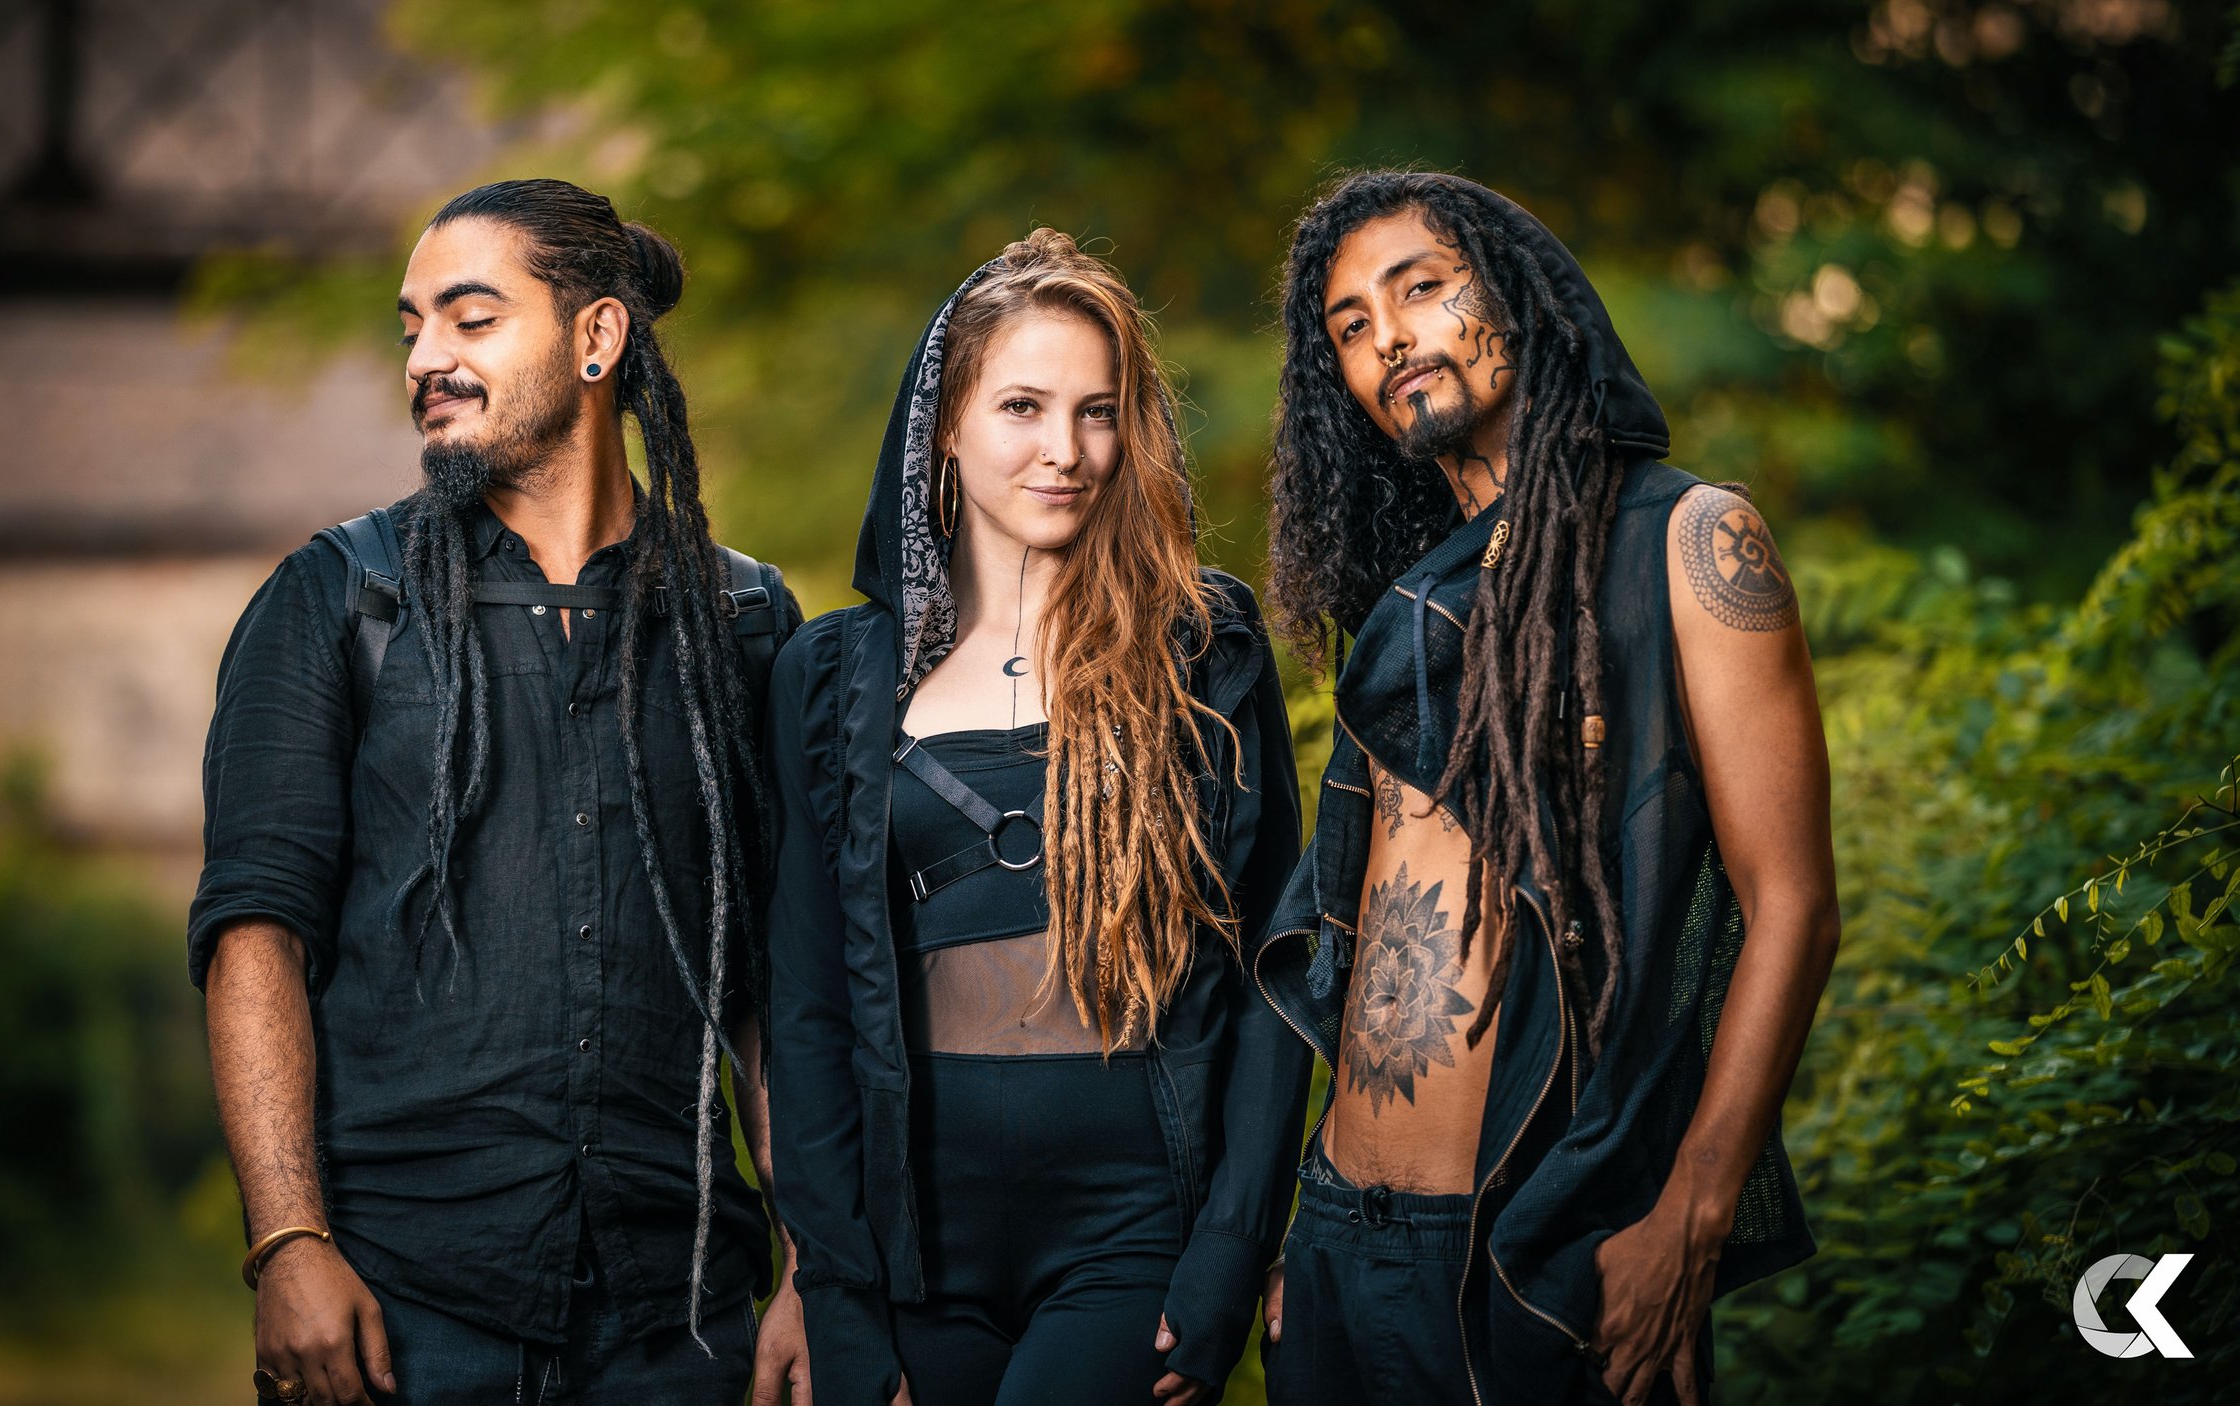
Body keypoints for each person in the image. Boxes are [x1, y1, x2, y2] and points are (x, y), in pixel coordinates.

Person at [190, 178, 809, 1406]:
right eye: (412, 326)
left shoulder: (741, 622)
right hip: (400, 1309)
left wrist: (812, 1262)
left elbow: (769, 986)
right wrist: (288, 1241)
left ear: (597, 339)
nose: (427, 357)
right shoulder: (334, 601)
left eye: (470, 320)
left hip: (677, 1316)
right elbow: (254, 935)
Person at [1255, 170, 1839, 1406]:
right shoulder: (1408, 605)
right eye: (1350, 326)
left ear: (1520, 293)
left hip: (1531, 1242)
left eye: (1420, 287)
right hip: (1335, 1242)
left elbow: (1790, 902)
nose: (1389, 337)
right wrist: (1298, 1221)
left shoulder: (1687, 543)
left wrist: (1692, 1206)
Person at [764, 229, 1309, 1406]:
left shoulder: (1204, 648)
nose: (1065, 451)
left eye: (1097, 411)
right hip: (915, 1247)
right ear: (943, 425)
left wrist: (1230, 1246)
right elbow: (805, 1005)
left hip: (1134, 1227)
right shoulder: (831, 673)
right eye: (1022, 405)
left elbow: (1278, 965)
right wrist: (839, 1300)